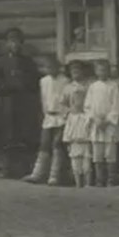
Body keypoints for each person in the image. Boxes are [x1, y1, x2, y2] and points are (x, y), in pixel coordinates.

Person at [0, 27, 40, 178]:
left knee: (23, 135)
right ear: (6, 43)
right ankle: (4, 167)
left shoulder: (28, 62)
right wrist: (7, 87)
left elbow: (34, 82)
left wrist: (25, 86)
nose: (15, 45)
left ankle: (23, 168)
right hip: (6, 103)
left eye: (18, 42)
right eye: (12, 42)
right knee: (6, 135)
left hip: (23, 103)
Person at [23, 55, 69, 185]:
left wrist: (65, 115)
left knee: (57, 145)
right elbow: (43, 99)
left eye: (52, 67)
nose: (49, 69)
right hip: (48, 116)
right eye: (47, 67)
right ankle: (37, 173)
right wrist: (44, 114)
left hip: (61, 116)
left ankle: (54, 176)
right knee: (44, 144)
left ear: (59, 68)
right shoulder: (43, 81)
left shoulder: (65, 81)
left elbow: (67, 100)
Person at [85, 58, 119, 188]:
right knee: (97, 153)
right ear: (96, 71)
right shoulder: (93, 87)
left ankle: (111, 179)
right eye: (100, 70)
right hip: (96, 123)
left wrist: (107, 120)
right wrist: (95, 119)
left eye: (105, 70)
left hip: (109, 124)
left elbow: (117, 105)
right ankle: (99, 180)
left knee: (110, 152)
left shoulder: (113, 86)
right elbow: (87, 106)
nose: (103, 72)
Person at [61, 60, 93, 188]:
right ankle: (77, 184)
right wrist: (69, 112)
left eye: (78, 70)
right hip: (73, 121)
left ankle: (88, 183)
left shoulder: (88, 86)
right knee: (75, 159)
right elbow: (63, 104)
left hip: (85, 118)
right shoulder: (68, 87)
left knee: (87, 160)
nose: (76, 73)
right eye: (73, 71)